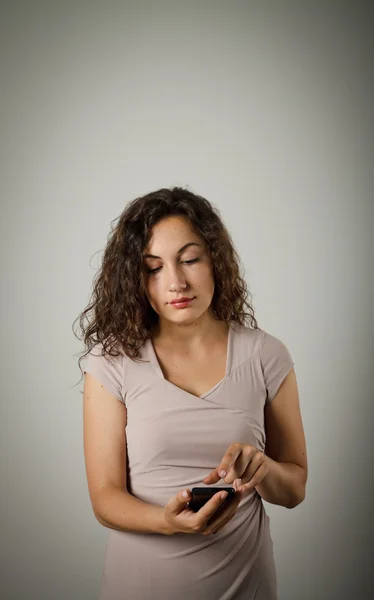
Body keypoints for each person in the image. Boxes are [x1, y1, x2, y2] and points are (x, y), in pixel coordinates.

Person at [74, 186, 308, 600]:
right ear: (135, 278)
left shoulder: (266, 354)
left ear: (215, 260)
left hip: (246, 587)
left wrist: (264, 469)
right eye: (154, 268)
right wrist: (168, 521)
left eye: (190, 260)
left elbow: (294, 490)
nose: (177, 282)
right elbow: (104, 499)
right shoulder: (112, 362)